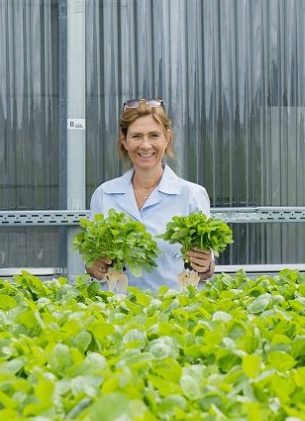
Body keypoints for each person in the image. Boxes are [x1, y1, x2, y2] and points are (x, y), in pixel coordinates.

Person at [84, 98, 216, 291]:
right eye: (136, 136)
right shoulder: (104, 195)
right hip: (115, 316)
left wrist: (205, 265)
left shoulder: (192, 195)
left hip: (173, 313)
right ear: (124, 140)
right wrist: (92, 266)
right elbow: (91, 261)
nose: (145, 145)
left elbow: (207, 267)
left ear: (167, 137)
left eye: (154, 135)